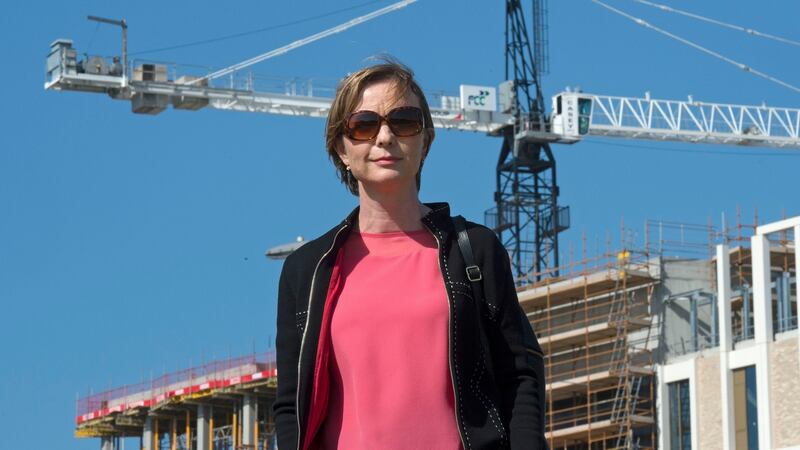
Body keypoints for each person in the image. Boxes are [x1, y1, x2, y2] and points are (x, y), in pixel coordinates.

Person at [273, 60, 547, 450]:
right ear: (341, 149)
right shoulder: (307, 270)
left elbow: (520, 376)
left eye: (403, 121)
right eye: (364, 125)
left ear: (426, 141)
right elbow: (291, 406)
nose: (385, 137)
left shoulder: (475, 250)